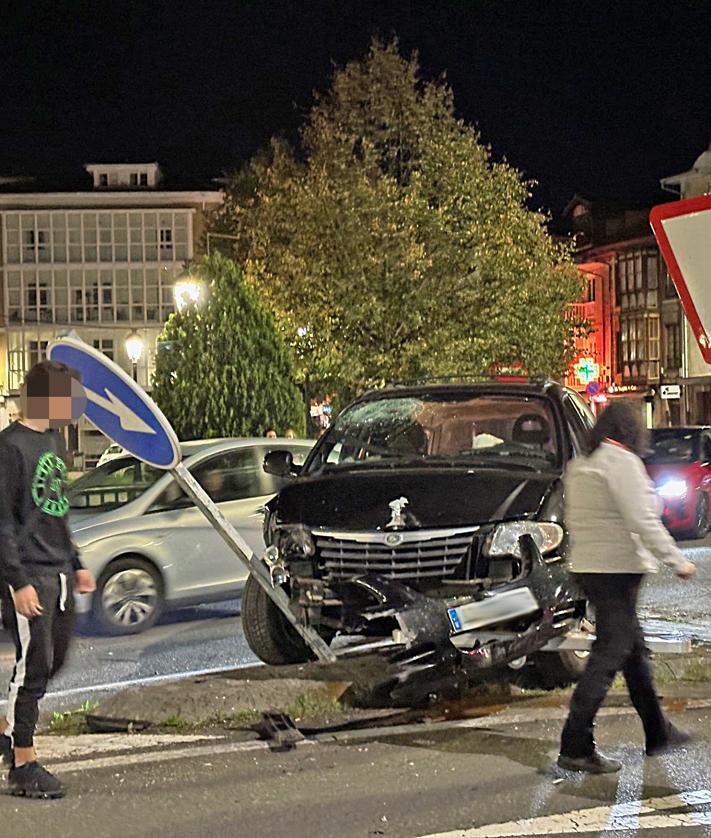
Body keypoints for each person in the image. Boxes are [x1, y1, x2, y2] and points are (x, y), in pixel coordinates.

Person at [557, 401, 696, 774]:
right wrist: (677, 560)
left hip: (589, 566)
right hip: (617, 569)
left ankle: (658, 731)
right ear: (630, 431)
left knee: (633, 653)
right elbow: (643, 519)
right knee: (610, 653)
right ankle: (575, 743)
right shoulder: (622, 463)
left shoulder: (582, 463)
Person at [0, 361, 96, 799]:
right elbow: (2, 519)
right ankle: (23, 762)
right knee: (33, 663)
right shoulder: (9, 448)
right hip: (30, 573)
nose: (76, 407)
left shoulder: (54, 441)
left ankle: (5, 730)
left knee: (53, 660)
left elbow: (57, 507)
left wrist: (75, 562)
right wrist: (17, 581)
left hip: (57, 569)